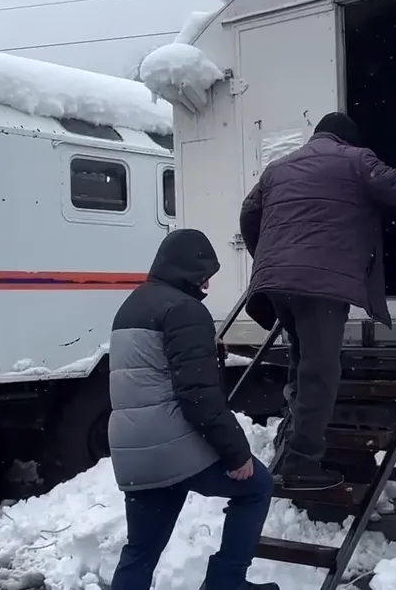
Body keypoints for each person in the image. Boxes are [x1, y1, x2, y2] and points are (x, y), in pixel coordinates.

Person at [239, 112, 396, 491]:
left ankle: (290, 450)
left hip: (277, 285)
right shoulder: (357, 159)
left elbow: (248, 213)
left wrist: (269, 259)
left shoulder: (279, 167)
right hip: (320, 285)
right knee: (321, 374)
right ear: (349, 139)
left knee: (301, 365)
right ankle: (302, 463)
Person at [107, 228, 278, 590]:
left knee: (141, 549)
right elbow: (198, 394)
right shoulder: (185, 310)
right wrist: (236, 453)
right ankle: (227, 582)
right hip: (170, 443)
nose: (207, 284)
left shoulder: (132, 304)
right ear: (187, 270)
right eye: (204, 275)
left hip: (132, 450)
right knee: (257, 485)